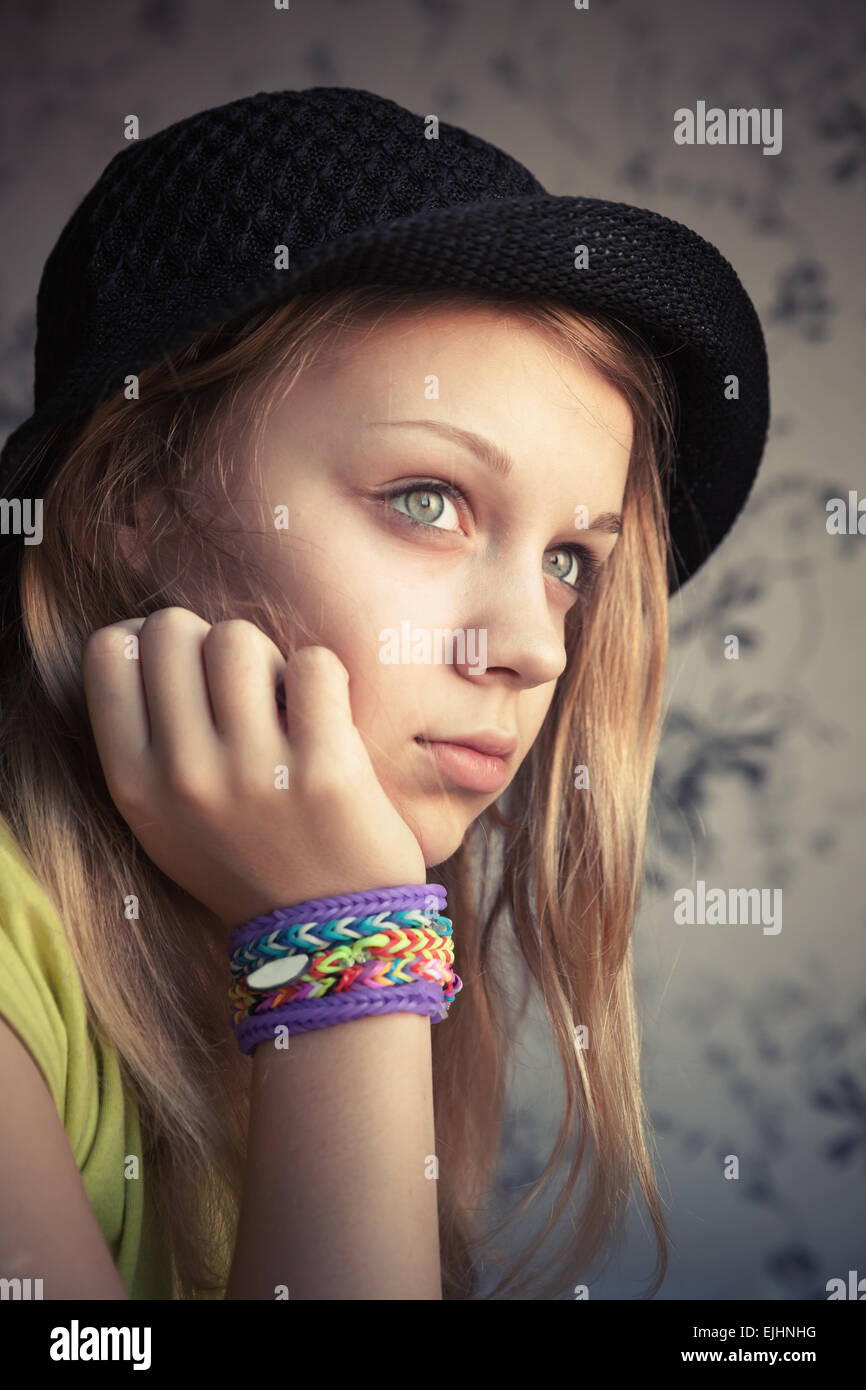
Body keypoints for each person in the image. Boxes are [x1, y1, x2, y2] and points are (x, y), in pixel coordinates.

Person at [0, 87, 770, 1301]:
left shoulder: (364, 949)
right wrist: (345, 945)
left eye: (571, 560)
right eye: (426, 498)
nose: (533, 649)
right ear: (129, 500)